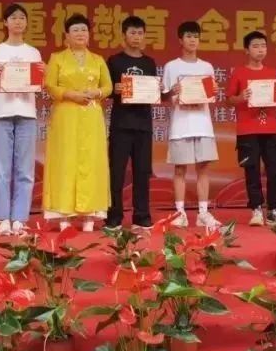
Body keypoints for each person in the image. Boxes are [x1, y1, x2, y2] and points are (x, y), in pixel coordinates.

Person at [43, 14, 113, 231]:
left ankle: (90, 215)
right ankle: (64, 214)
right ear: (66, 35)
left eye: (84, 29)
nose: (80, 33)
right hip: (66, 116)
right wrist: (70, 94)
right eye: (75, 30)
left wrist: (97, 92)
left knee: (92, 161)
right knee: (65, 161)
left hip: (91, 116)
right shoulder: (57, 58)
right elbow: (50, 85)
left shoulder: (98, 60)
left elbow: (108, 86)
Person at [0, 4, 43, 237]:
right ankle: (3, 219)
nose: (18, 21)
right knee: (1, 168)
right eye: (13, 18)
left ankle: (19, 218)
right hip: (1, 112)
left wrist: (42, 75)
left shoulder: (33, 52)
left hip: (27, 112)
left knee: (25, 169)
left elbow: (39, 87)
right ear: (5, 23)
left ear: (26, 23)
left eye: (22, 18)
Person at [227, 31, 276, 228]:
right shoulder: (238, 73)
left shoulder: (273, 73)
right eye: (255, 46)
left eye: (263, 46)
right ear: (246, 50)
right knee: (252, 170)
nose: (260, 50)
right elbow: (229, 100)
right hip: (248, 129)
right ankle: (256, 209)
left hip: (271, 128)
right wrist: (241, 97)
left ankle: (275, 210)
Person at [162, 21, 221, 232]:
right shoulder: (171, 66)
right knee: (180, 169)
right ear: (180, 40)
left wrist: (213, 92)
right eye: (188, 36)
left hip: (203, 124)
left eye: (195, 36)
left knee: (203, 168)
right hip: (181, 125)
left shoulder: (207, 67)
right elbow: (164, 97)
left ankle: (203, 213)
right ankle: (180, 213)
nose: (192, 40)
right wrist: (174, 91)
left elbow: (211, 95)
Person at [105, 16, 157, 229]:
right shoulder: (114, 61)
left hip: (143, 125)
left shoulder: (149, 63)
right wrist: (114, 89)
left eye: (140, 33)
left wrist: (160, 91)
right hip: (121, 124)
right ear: (124, 35)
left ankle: (142, 215)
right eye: (132, 33)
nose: (136, 37)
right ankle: (114, 216)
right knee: (116, 172)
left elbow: (153, 91)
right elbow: (105, 89)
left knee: (143, 172)